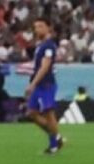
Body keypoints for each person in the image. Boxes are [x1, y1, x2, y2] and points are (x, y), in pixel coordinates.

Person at [22, 19, 66, 154]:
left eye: (41, 26)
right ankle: (57, 137)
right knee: (31, 113)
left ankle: (53, 146)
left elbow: (45, 66)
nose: (37, 29)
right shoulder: (40, 45)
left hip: (46, 84)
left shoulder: (49, 46)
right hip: (39, 85)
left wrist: (33, 84)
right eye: (35, 27)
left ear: (48, 28)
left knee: (48, 113)